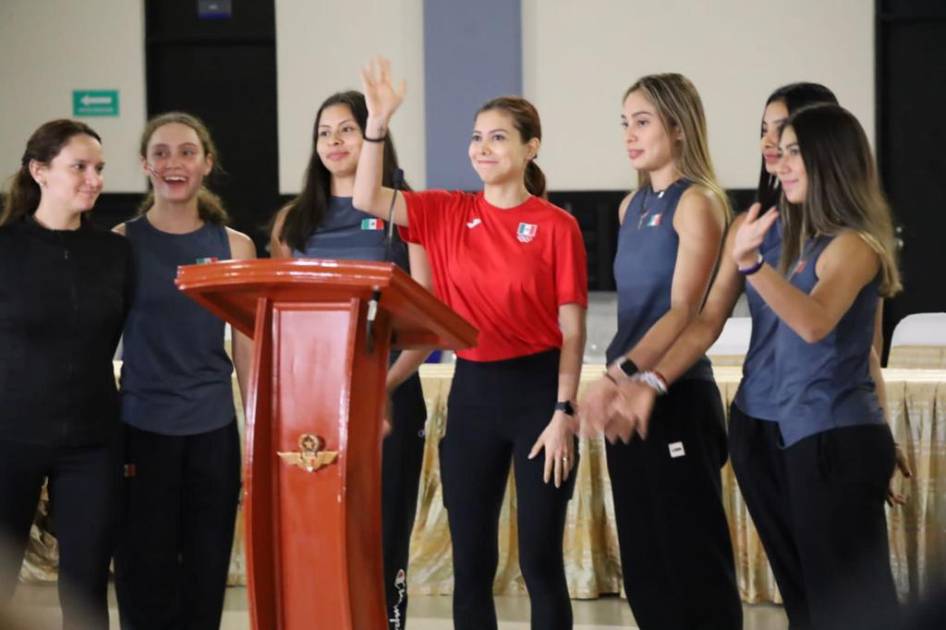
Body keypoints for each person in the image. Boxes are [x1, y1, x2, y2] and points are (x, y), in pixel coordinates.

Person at [352, 58, 588, 630]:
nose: (483, 147)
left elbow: (574, 329)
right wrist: (376, 124)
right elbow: (366, 198)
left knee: (539, 562)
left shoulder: (556, 226)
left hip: (540, 396)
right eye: (477, 137)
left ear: (531, 148)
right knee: (472, 563)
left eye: (499, 137)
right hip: (474, 394)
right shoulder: (445, 211)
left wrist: (564, 411)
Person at [729, 103, 902, 629]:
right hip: (808, 435)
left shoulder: (854, 244)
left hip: (836, 437)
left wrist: (751, 265)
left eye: (794, 152)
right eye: (779, 152)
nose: (780, 163)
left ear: (829, 160)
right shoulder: (813, 243)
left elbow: (814, 323)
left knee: (851, 606)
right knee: (818, 601)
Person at [580, 74, 742, 629]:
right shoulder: (630, 206)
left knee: (691, 558)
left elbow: (684, 312)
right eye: (625, 123)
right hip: (625, 395)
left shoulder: (698, 202)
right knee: (645, 562)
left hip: (676, 393)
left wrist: (621, 373)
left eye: (642, 122)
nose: (630, 134)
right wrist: (617, 381)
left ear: (677, 127)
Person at [270, 90, 430, 630]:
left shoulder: (405, 212)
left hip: (387, 396)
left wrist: (383, 385)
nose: (334, 141)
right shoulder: (294, 221)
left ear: (373, 137)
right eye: (324, 132)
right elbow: (283, 317)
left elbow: (428, 320)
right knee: (318, 538)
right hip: (313, 407)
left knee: (379, 538)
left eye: (347, 130)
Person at [113, 112, 256, 630]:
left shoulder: (235, 247)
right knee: (143, 570)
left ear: (207, 163)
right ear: (144, 165)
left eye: (187, 152)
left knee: (205, 570)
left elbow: (248, 350)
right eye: (162, 152)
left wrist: (256, 432)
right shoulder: (120, 242)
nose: (174, 162)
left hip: (211, 432)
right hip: (140, 428)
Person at [0, 119, 132, 630]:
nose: (95, 179)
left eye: (99, 168)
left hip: (93, 442)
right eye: (80, 167)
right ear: (40, 171)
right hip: (10, 436)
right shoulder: (6, 248)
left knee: (85, 588)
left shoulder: (116, 253)